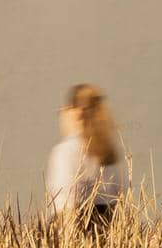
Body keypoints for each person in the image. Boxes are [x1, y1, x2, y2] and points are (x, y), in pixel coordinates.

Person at [45, 82, 128, 227]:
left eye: (63, 110)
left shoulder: (66, 152)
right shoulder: (109, 153)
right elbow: (120, 203)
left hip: (78, 238)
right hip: (108, 236)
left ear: (76, 113)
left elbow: (66, 208)